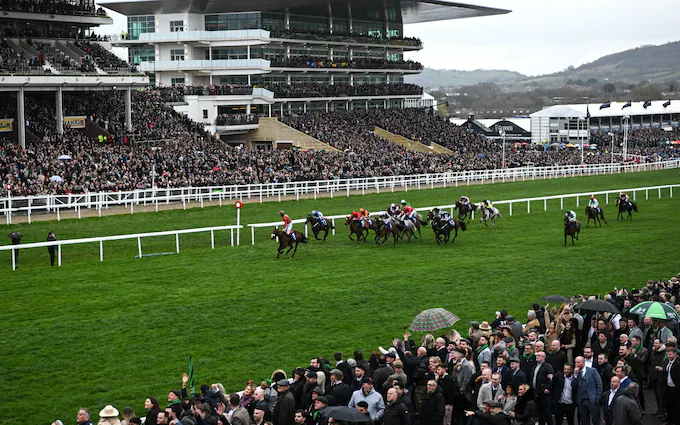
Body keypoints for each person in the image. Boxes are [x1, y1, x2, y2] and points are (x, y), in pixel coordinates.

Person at [574, 356, 602, 425]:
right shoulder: (576, 373)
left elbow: (599, 384)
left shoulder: (592, 371)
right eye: (575, 362)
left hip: (592, 399)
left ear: (583, 363)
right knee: (584, 420)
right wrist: (575, 375)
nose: (576, 364)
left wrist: (597, 397)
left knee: (595, 420)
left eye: (578, 362)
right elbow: (573, 385)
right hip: (582, 400)